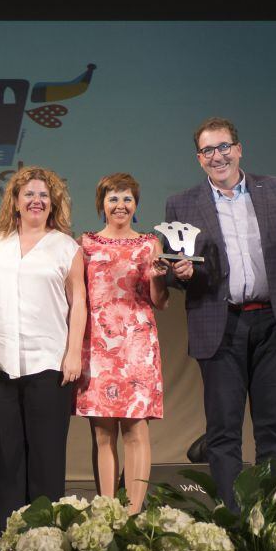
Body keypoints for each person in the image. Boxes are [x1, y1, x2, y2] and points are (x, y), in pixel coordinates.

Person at [165, 117, 276, 510]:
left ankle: (270, 519)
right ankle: (234, 521)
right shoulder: (181, 203)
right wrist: (179, 274)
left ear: (238, 149)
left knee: (274, 428)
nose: (217, 156)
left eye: (223, 147)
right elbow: (174, 267)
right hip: (219, 326)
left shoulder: (275, 190)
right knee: (223, 432)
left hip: (274, 321)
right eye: (207, 150)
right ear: (199, 158)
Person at [0, 166, 86, 551]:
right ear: (15, 201)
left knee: (45, 454)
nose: (36, 201)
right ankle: (7, 537)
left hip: (49, 361)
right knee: (5, 454)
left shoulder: (66, 247)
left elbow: (79, 304)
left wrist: (73, 352)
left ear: (53, 203)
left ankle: (45, 539)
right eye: (29, 194)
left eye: (44, 195)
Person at [76, 173, 170, 513]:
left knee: (136, 431)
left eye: (127, 198)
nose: (120, 205)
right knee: (103, 435)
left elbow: (160, 301)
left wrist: (157, 278)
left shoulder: (150, 244)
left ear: (136, 205)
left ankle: (133, 514)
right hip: (97, 346)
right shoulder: (85, 244)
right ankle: (107, 513)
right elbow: (78, 298)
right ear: (101, 204)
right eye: (113, 198)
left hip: (137, 347)